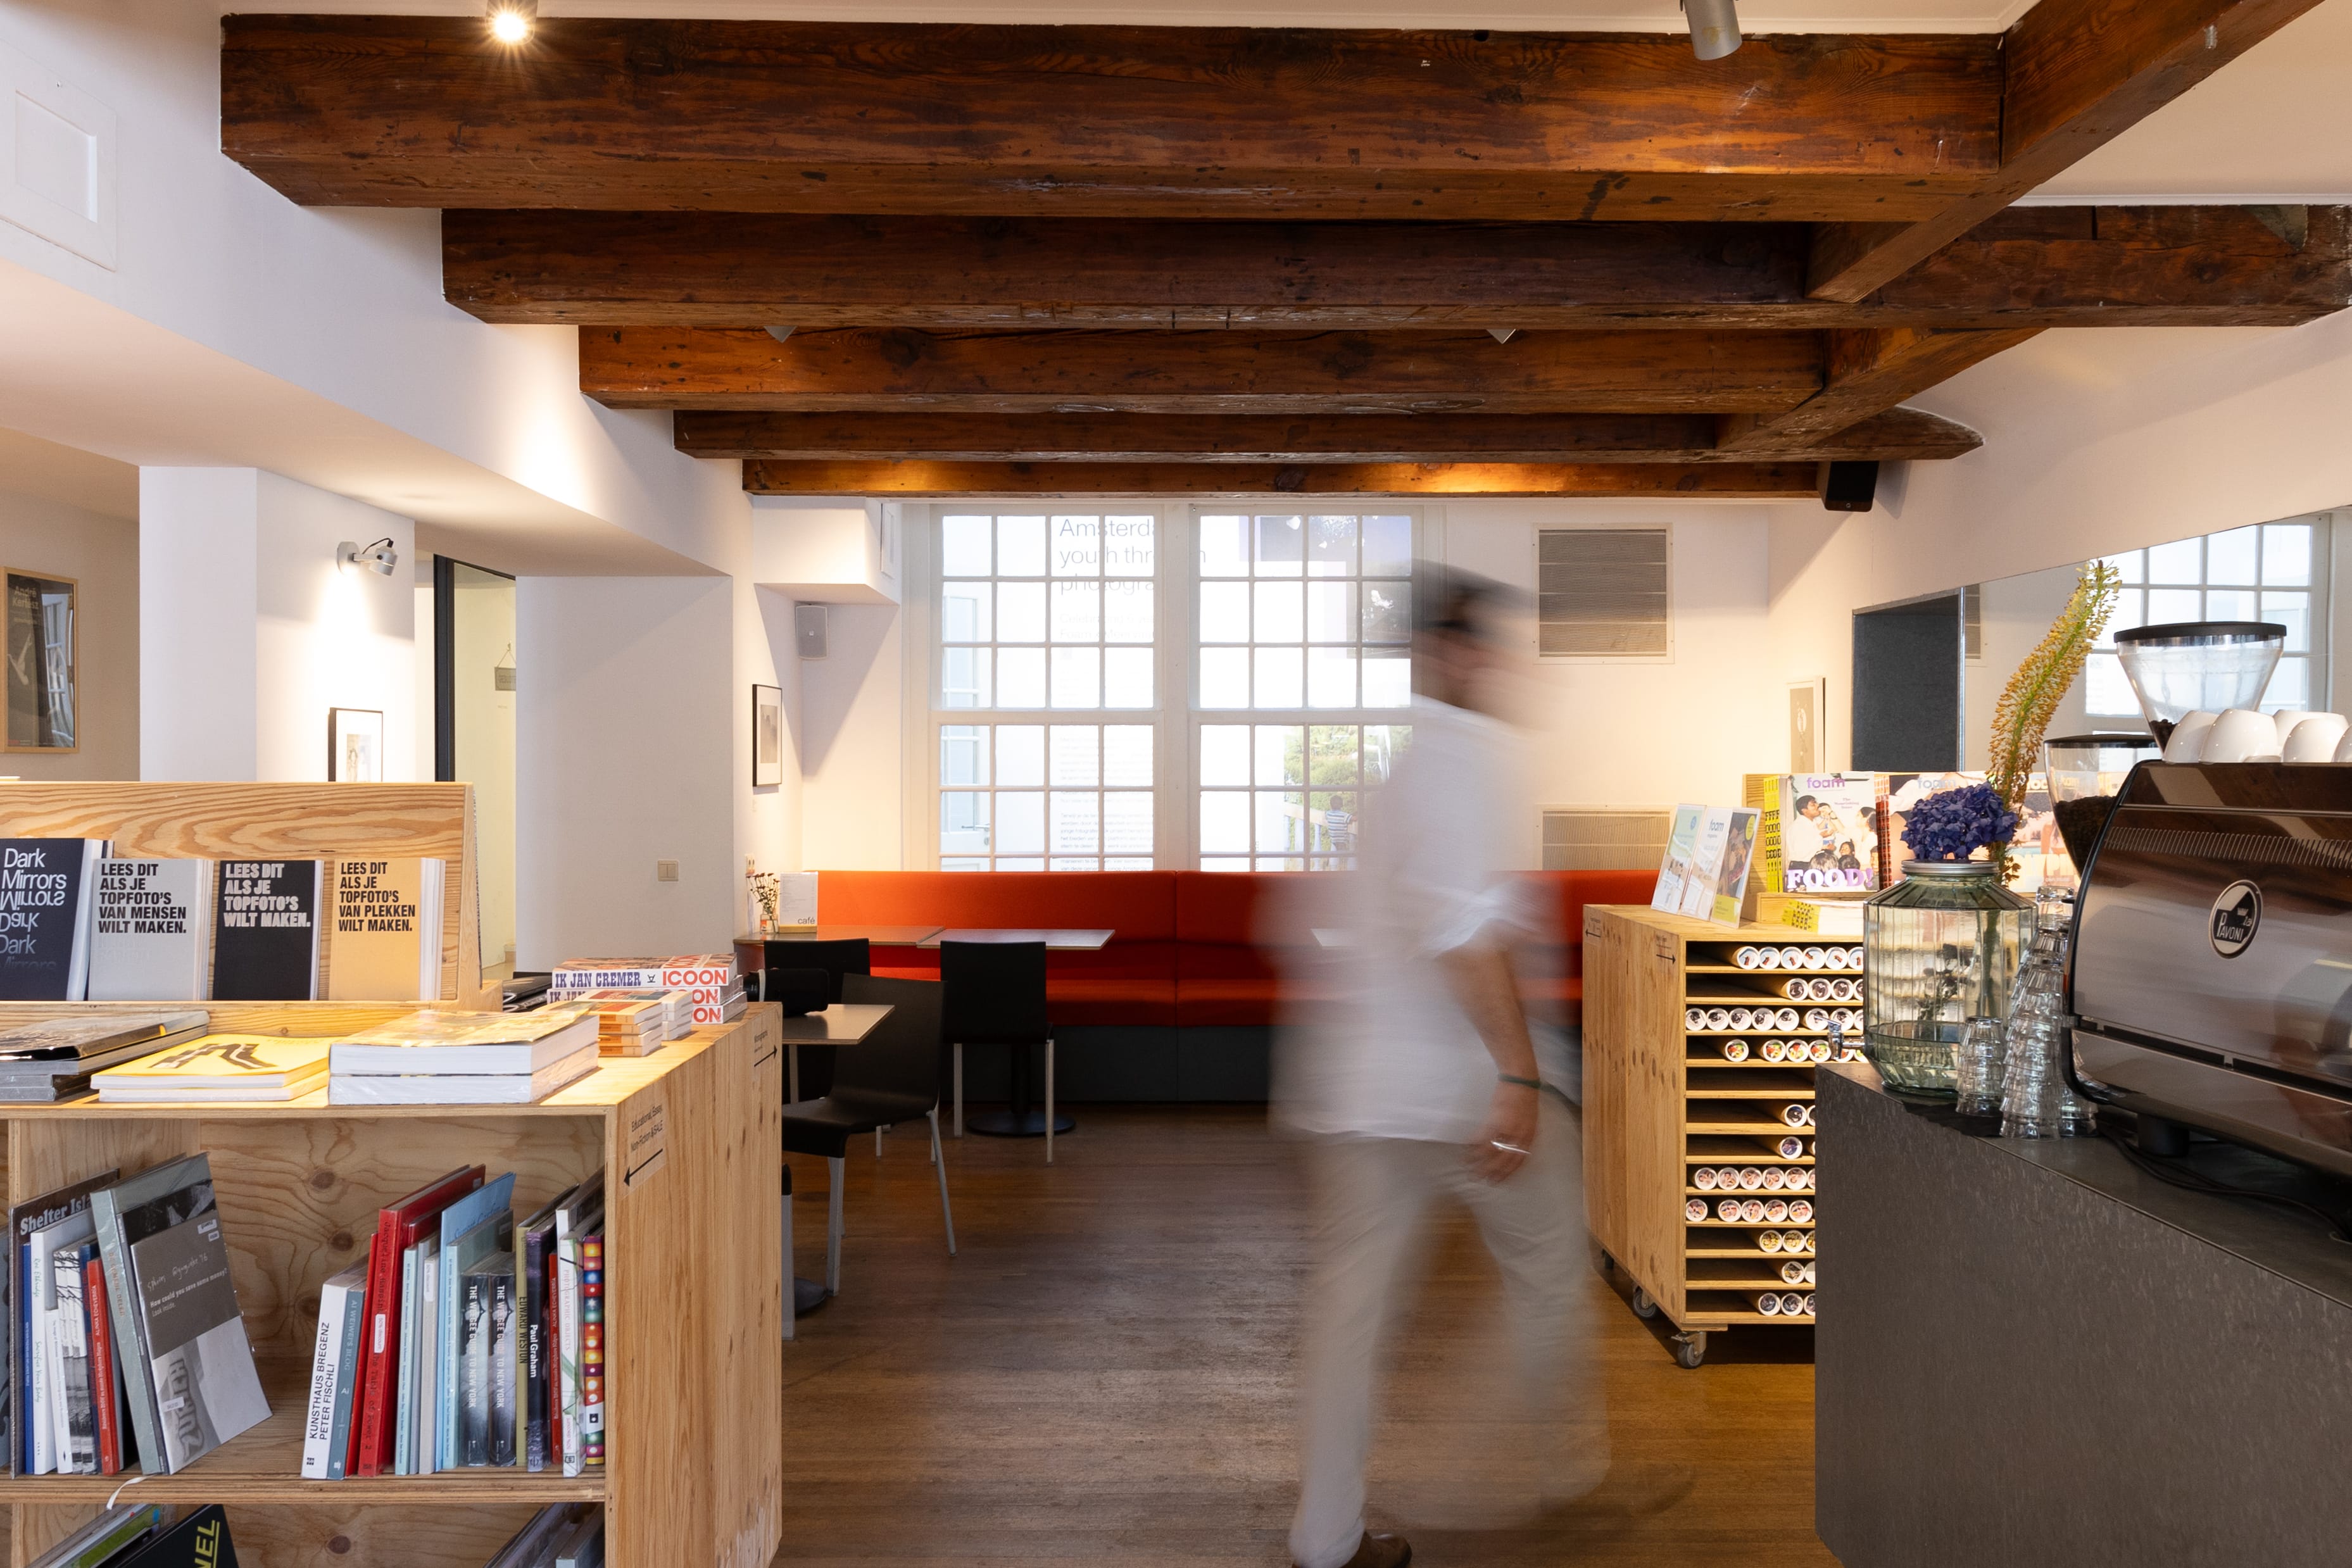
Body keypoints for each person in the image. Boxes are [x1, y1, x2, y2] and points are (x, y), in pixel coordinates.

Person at [1275, 572, 1603, 1568]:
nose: (1499, 666)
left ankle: (1324, 1537)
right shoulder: (1455, 765)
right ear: (1449, 652)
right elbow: (1460, 933)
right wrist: (1517, 1073)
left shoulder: (1408, 768)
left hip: (1367, 1094)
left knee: (1351, 1317)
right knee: (1548, 1274)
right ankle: (1563, 1475)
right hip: (1468, 1091)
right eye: (1485, 648)